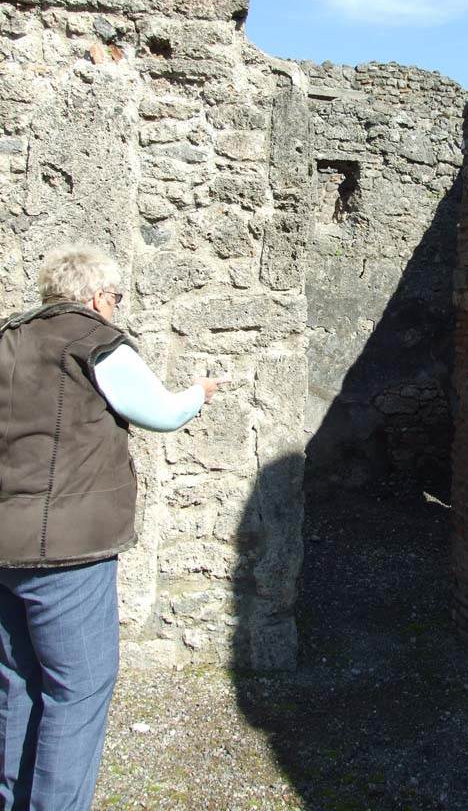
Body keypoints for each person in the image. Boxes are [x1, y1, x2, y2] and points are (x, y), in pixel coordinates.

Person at [0, 244, 224, 811]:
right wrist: (197, 394)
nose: (115, 308)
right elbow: (161, 413)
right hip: (65, 552)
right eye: (116, 298)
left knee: (16, 684)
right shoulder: (96, 342)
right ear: (98, 296)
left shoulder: (7, 339)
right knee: (79, 689)